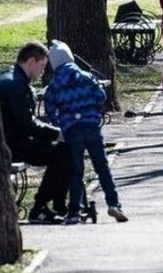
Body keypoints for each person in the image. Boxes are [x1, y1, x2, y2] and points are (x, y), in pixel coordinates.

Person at [44, 40, 128, 224]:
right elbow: (101, 97)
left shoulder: (54, 84)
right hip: (92, 126)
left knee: (76, 170)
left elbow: (49, 109)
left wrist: (59, 122)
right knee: (102, 167)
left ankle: (75, 211)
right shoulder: (86, 77)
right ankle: (114, 204)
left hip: (71, 130)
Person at [0, 41, 70, 224]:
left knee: (61, 150)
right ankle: (41, 207)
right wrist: (59, 133)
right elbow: (28, 124)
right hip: (8, 144)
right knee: (63, 152)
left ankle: (56, 205)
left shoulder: (8, 76)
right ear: (31, 62)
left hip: (3, 140)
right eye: (42, 65)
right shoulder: (17, 85)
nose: (43, 71)